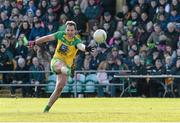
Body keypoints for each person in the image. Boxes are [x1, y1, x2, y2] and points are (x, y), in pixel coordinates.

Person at [28, 21, 94, 112]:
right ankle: (68, 71)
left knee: (59, 88)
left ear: (75, 31)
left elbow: (80, 46)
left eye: (72, 30)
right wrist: (35, 42)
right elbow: (47, 38)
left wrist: (86, 48)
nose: (70, 32)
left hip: (67, 65)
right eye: (68, 30)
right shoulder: (60, 35)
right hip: (56, 62)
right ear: (65, 30)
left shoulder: (76, 40)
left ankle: (46, 109)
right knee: (61, 65)